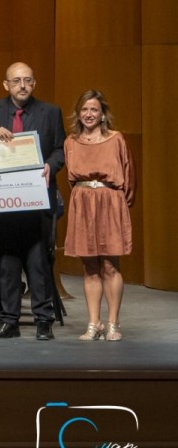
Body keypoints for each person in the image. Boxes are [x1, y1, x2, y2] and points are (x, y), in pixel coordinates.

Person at [0, 62, 63, 341]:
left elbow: (60, 148)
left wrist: (51, 165)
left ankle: (43, 321)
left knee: (38, 263)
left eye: (27, 80)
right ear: (6, 85)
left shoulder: (51, 112)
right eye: (16, 81)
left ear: (34, 84)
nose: (22, 85)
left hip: (37, 200)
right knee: (8, 265)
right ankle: (9, 321)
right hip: (5, 200)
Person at [63, 89, 134, 342]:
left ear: (103, 114)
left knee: (110, 265)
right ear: (78, 113)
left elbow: (129, 179)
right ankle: (94, 323)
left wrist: (118, 207)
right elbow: (72, 179)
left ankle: (113, 323)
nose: (89, 114)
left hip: (110, 202)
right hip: (83, 203)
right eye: (85, 109)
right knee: (90, 267)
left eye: (94, 109)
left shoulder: (116, 139)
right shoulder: (71, 141)